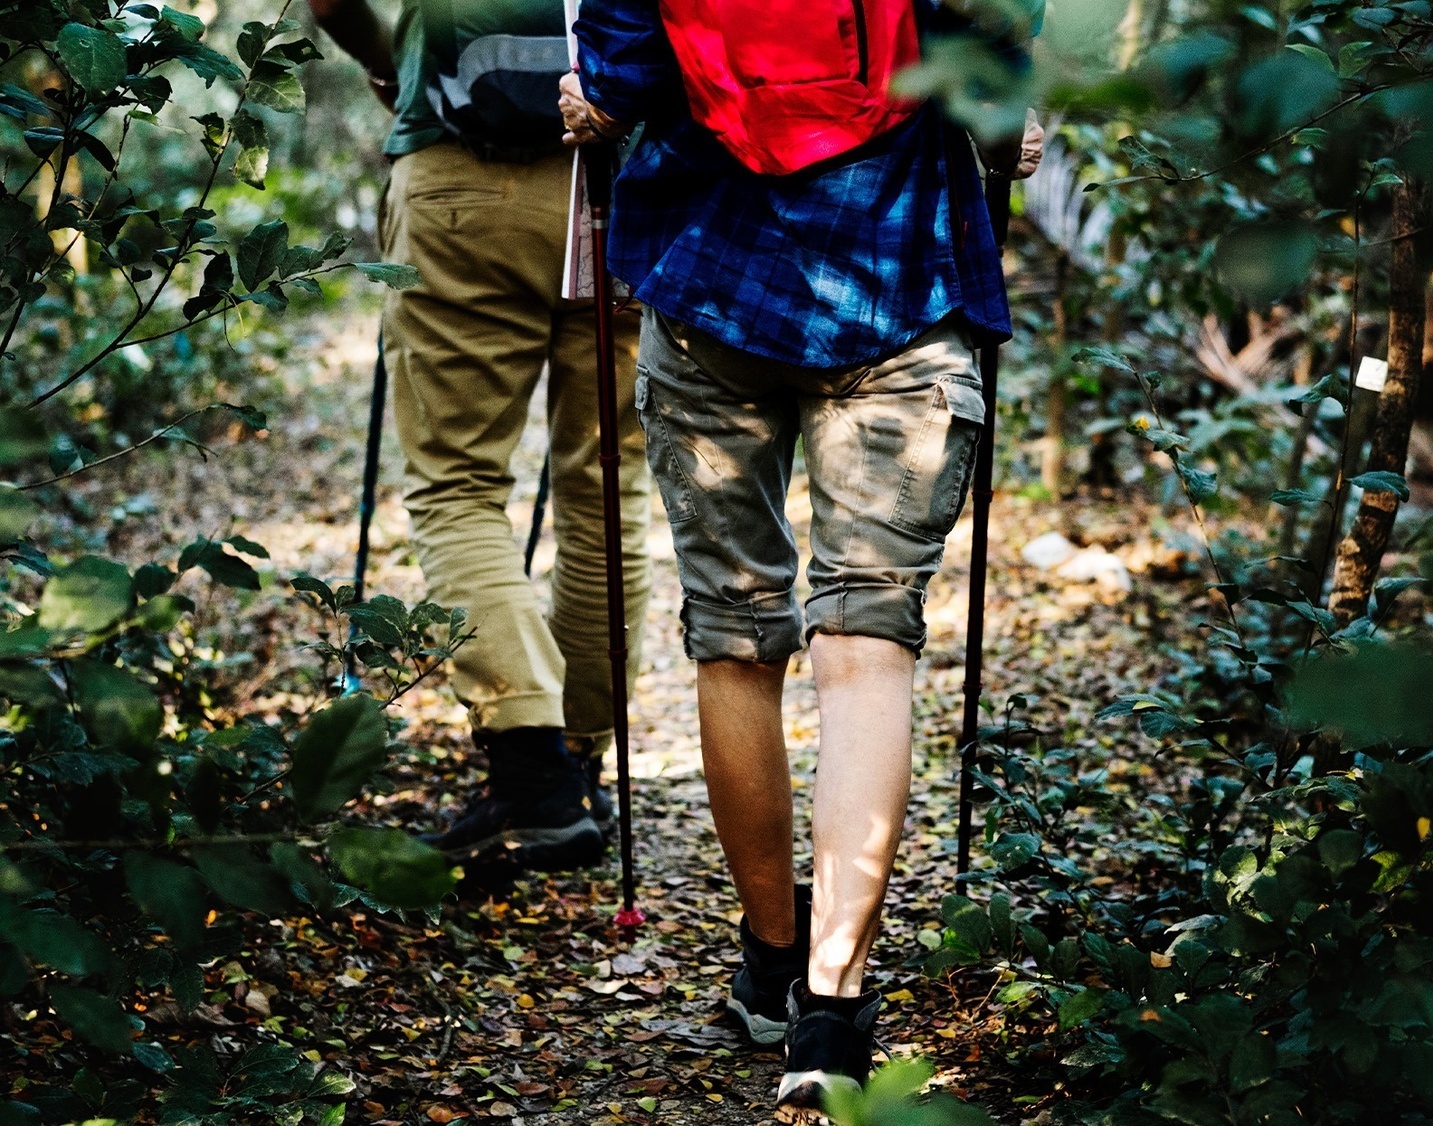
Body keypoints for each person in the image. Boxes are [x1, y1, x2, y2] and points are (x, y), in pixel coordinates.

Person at [562, 0, 1039, 1109]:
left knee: (734, 633)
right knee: (866, 641)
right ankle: (831, 1009)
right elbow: (997, 69)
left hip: (709, 285)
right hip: (902, 284)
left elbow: (616, 80)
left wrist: (586, 102)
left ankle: (769, 966)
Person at [307, 0, 652, 871]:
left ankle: (533, 777)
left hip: (464, 173)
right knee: (606, 482)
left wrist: (387, 63)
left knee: (456, 484)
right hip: (628, 178)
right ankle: (578, 762)